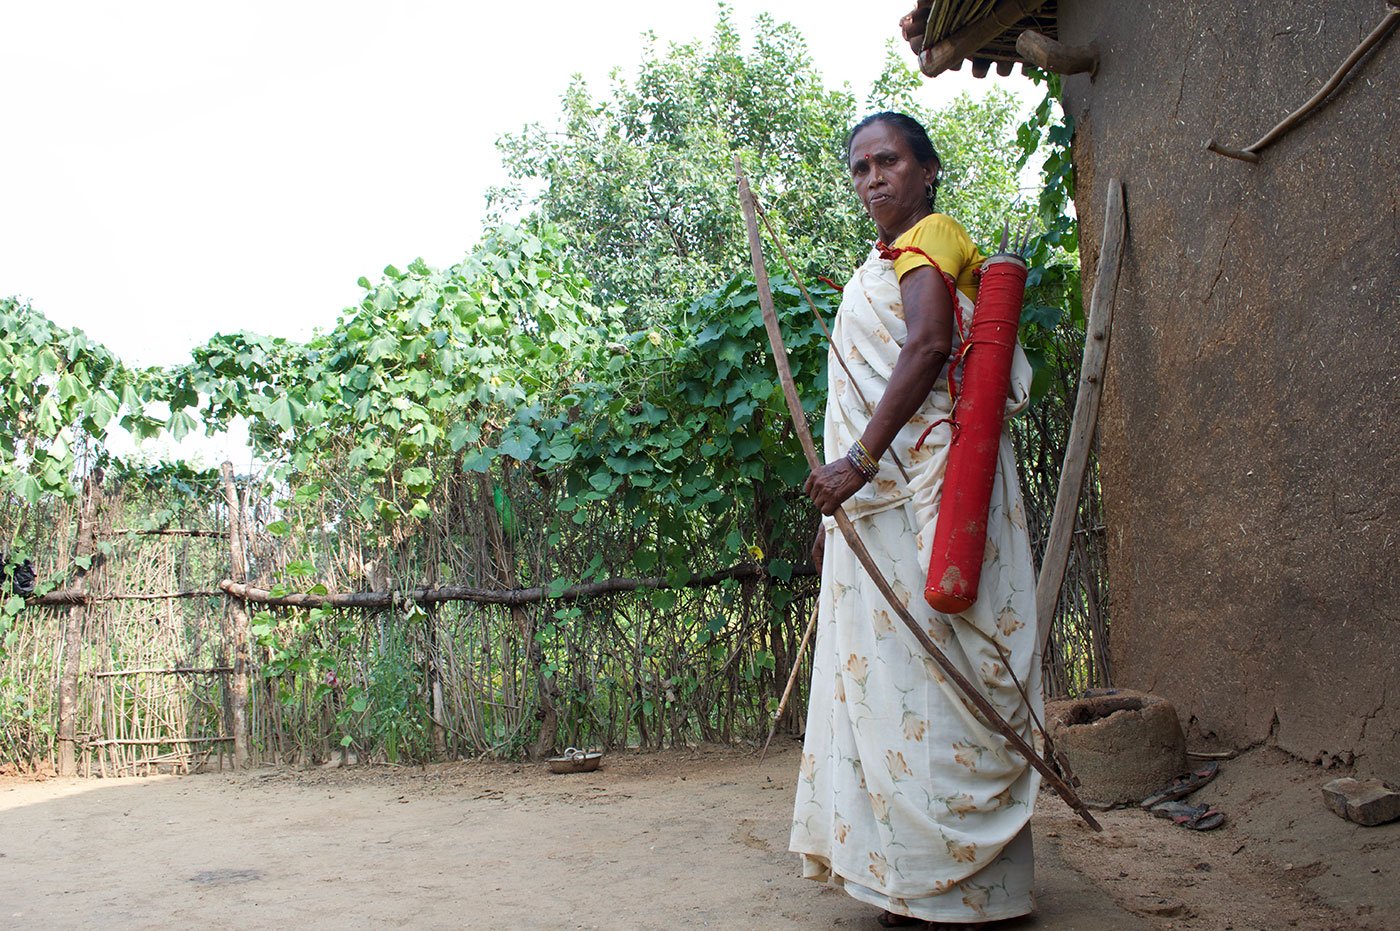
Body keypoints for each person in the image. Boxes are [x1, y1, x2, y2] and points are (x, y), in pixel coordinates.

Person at [789, 111, 1041, 927]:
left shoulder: (932, 237)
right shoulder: (886, 262)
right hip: (886, 517)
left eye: (888, 161)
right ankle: (914, 879)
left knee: (941, 681)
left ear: (927, 169)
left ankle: (952, 885)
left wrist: (856, 461)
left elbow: (928, 346)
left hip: (920, 502)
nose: (872, 179)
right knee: (899, 687)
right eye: (859, 168)